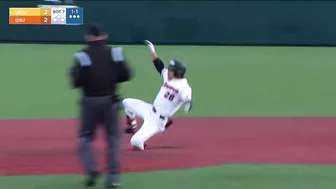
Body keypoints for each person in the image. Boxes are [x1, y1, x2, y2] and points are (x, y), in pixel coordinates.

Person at [69, 24, 132, 188]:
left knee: (85, 137)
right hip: (110, 101)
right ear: (104, 36)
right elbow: (126, 75)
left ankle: (91, 168)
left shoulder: (83, 55)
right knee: (113, 139)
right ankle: (113, 178)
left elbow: (75, 81)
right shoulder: (115, 53)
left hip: (90, 101)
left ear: (88, 37)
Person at [122, 40, 193, 150]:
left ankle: (141, 142)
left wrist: (187, 103)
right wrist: (152, 51)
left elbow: (187, 99)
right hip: (149, 109)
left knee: (135, 142)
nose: (168, 71)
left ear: (177, 73)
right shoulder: (168, 77)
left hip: (157, 121)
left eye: (171, 70)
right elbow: (159, 66)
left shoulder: (184, 87)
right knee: (126, 102)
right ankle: (133, 127)